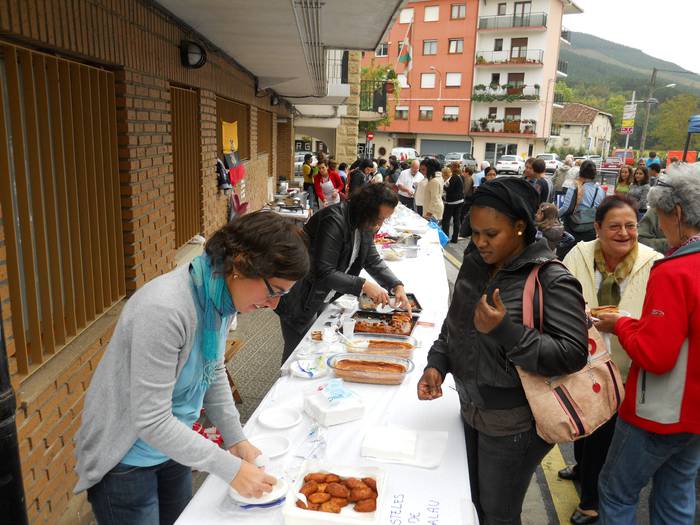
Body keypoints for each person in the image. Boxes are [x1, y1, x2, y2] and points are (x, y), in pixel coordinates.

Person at [74, 212, 309, 524]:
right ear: (240, 263)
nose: (274, 304)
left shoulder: (219, 298)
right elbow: (151, 419)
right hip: (126, 457)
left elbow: (212, 372)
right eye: (273, 291)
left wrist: (237, 439)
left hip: (175, 443)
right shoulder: (165, 309)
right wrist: (231, 468)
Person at [418, 177, 588, 525]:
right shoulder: (474, 263)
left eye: (490, 234)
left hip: (515, 424)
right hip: (470, 408)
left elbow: (573, 353)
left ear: (520, 227)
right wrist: (436, 363)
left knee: (498, 514)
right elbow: (455, 326)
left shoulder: (550, 278)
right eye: (475, 232)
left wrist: (505, 332)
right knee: (473, 502)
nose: (479, 241)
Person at [594, 164, 700, 525]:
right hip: (695, 414)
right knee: (676, 492)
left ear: (679, 213)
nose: (658, 224)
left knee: (616, 490)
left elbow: (656, 355)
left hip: (658, 412)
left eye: (660, 215)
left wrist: (622, 324)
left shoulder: (674, 270)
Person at [559, 195, 662, 525]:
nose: (624, 233)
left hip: (623, 366)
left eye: (630, 226)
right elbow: (563, 294)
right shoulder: (580, 253)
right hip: (581, 359)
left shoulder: (654, 261)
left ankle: (590, 501)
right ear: (598, 228)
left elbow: (659, 315)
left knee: (603, 436)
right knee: (580, 425)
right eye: (614, 226)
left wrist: (624, 324)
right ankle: (579, 467)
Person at [275, 184, 411, 362]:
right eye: (379, 218)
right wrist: (363, 285)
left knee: (316, 348)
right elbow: (324, 271)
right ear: (366, 209)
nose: (380, 224)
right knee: (298, 354)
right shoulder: (334, 220)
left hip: (320, 295)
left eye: (384, 219)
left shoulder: (363, 223)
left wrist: (396, 285)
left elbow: (372, 260)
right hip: (299, 296)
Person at [559, 160, 606, 242]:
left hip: (572, 227)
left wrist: (555, 215)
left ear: (580, 172)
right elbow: (601, 211)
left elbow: (566, 208)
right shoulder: (600, 190)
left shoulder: (574, 187)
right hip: (591, 229)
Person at [442, 164, 464, 243]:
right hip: (460, 201)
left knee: (446, 220)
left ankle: (445, 237)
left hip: (451, 202)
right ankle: (455, 238)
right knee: (456, 220)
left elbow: (450, 190)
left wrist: (443, 186)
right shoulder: (460, 176)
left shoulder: (453, 178)